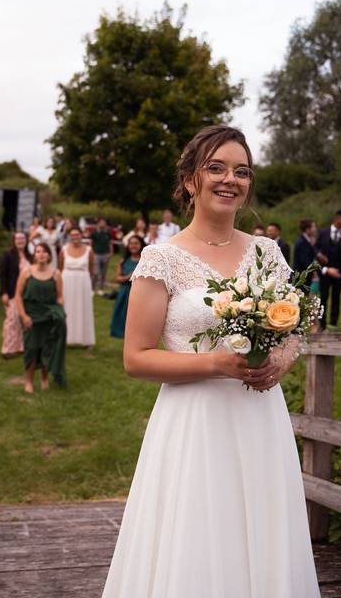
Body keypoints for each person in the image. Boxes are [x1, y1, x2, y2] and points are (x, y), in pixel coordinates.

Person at [103, 125, 319, 597]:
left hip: (259, 419)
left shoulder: (267, 253)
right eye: (216, 167)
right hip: (193, 423)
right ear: (189, 181)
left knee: (260, 532)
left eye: (241, 171)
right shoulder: (161, 259)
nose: (230, 179)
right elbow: (136, 358)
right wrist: (216, 365)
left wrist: (281, 360)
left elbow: (293, 329)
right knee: (197, 532)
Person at [15, 242, 67, 393]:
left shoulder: (56, 274)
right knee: (31, 348)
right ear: (34, 255)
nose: (41, 254)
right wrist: (24, 316)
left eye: (44, 251)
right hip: (31, 315)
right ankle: (29, 381)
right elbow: (18, 296)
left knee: (47, 347)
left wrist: (60, 312)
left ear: (49, 255)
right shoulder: (26, 272)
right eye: (38, 251)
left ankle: (44, 378)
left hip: (49, 315)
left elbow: (59, 297)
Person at [315, 209, 341, 329]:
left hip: (339, 272)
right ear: (336, 218)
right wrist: (319, 255)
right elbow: (315, 248)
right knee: (324, 297)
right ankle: (322, 324)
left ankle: (333, 323)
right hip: (325, 271)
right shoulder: (323, 232)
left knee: (336, 298)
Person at [60, 225, 95, 346]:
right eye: (72, 235)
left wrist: (86, 281)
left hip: (83, 282)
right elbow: (60, 268)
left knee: (84, 308)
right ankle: (65, 338)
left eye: (77, 234)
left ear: (81, 235)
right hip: (66, 282)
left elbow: (91, 269)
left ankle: (86, 340)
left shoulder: (89, 250)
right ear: (69, 236)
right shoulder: (64, 249)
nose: (75, 237)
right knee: (67, 309)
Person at [0, 231, 32, 358]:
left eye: (23, 238)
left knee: (25, 320)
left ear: (26, 240)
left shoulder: (30, 256)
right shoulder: (8, 255)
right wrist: (4, 293)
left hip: (28, 293)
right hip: (13, 293)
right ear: (13, 240)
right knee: (11, 320)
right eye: (18, 239)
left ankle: (21, 347)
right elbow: (2, 275)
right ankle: (7, 349)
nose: (20, 241)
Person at [109, 234, 143, 338]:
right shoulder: (123, 261)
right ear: (128, 246)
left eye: (136, 243)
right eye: (131, 243)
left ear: (141, 245)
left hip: (140, 293)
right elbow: (117, 278)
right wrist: (128, 276)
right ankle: (121, 333)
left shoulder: (145, 260)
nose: (133, 246)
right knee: (123, 314)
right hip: (125, 292)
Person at [293, 219, 320, 295]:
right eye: (313, 227)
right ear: (308, 229)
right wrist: (318, 269)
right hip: (301, 278)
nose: (315, 229)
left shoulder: (307, 241)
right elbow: (305, 262)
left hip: (304, 277)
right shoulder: (302, 242)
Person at [90, 217, 114, 296]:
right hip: (96, 254)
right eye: (101, 222)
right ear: (98, 223)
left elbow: (110, 243)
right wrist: (92, 253)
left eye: (104, 222)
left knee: (103, 273)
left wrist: (111, 252)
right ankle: (92, 289)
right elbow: (91, 243)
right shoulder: (94, 233)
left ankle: (100, 288)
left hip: (105, 254)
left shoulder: (108, 233)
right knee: (95, 273)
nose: (102, 224)